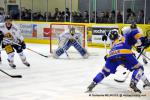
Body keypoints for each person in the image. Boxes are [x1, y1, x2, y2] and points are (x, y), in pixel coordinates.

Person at [87, 26, 150, 93]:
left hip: (111, 56)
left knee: (104, 72)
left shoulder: (114, 43)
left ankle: (93, 84)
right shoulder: (125, 36)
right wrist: (143, 40)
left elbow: (116, 49)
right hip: (125, 54)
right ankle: (133, 84)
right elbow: (134, 33)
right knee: (139, 68)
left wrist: (107, 56)